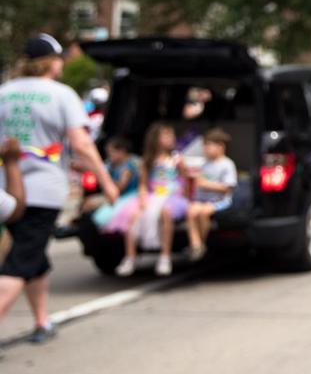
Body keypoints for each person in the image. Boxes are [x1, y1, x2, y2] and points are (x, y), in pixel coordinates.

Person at [0, 34, 119, 343]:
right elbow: (81, 143)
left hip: (8, 191)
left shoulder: (4, 92)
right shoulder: (61, 94)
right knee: (19, 262)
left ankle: (42, 321)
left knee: (33, 256)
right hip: (42, 191)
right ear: (53, 62)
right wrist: (106, 181)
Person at [110, 123, 190, 277]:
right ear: (155, 139)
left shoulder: (177, 158)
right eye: (165, 135)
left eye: (171, 135)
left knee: (166, 213)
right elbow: (142, 184)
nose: (170, 138)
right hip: (153, 194)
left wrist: (184, 194)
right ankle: (130, 257)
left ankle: (165, 256)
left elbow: (184, 179)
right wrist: (142, 197)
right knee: (132, 215)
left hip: (172, 195)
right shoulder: (147, 160)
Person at [185, 128, 237, 261]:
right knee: (191, 212)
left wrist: (205, 184)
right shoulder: (203, 164)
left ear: (221, 146)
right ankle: (196, 244)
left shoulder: (227, 164)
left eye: (209, 145)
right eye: (205, 146)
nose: (206, 149)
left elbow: (228, 188)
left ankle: (201, 242)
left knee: (203, 212)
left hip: (220, 200)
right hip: (201, 199)